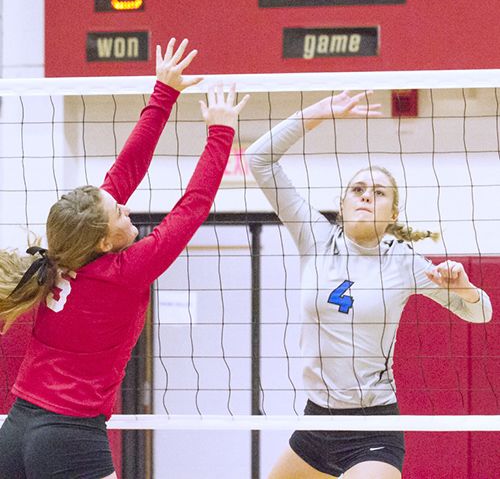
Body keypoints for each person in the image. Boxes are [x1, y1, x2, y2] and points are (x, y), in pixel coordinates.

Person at [0, 37, 249, 479]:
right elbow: (191, 208)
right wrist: (221, 131)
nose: (126, 205)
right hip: (70, 437)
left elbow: (127, 170)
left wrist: (165, 92)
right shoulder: (124, 272)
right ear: (102, 241)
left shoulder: (59, 259)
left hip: (15, 429)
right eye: (119, 210)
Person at [245, 90, 492, 479]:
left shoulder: (404, 261)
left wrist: (464, 289)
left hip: (372, 426)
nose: (365, 197)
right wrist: (316, 114)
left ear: (393, 212)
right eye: (357, 190)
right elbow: (257, 159)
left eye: (378, 193)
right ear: (342, 203)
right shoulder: (315, 237)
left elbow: (482, 314)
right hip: (316, 424)